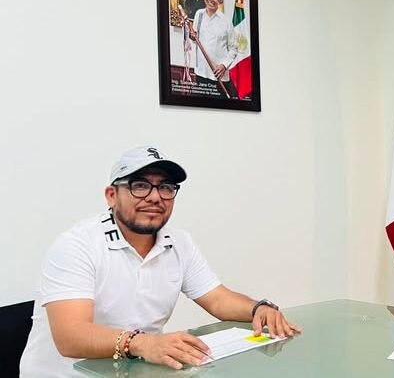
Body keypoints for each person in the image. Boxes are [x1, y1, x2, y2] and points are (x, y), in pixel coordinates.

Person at [19, 146, 300, 376]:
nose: (155, 197)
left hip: (136, 370)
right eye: (140, 186)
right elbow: (71, 337)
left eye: (165, 187)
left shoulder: (179, 242)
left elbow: (217, 299)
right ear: (111, 195)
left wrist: (258, 308)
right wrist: (144, 343)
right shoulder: (76, 245)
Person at [190, 0, 240, 99]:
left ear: (219, 0)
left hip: (219, 76)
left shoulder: (226, 21)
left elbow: (234, 48)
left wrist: (224, 65)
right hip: (201, 73)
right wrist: (192, 36)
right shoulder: (199, 14)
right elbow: (195, 39)